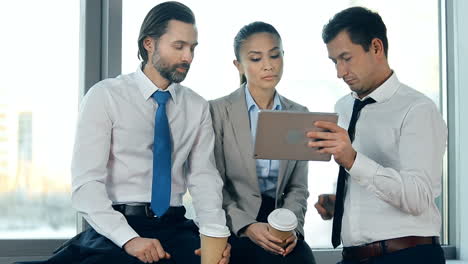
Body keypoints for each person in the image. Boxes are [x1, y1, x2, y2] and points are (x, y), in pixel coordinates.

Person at [18, 2, 231, 264]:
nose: (188, 57)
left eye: (192, 48)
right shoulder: (105, 96)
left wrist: (215, 237)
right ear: (149, 44)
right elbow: (86, 185)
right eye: (179, 46)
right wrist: (129, 239)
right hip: (117, 227)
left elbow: (204, 178)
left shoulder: (197, 106)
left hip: (176, 226)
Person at [307, 6, 447, 264]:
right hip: (353, 257)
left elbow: (418, 197)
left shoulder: (418, 109)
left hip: (407, 256)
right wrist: (343, 205)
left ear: (376, 47)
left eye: (346, 58)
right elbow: (372, 185)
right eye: (334, 61)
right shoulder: (343, 107)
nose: (340, 72)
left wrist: (352, 159)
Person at [209, 21, 316, 264]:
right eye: (256, 59)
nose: (268, 65)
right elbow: (213, 184)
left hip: (282, 226)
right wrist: (246, 226)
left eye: (275, 55)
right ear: (239, 66)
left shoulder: (299, 114)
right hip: (236, 224)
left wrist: (291, 228)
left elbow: (298, 187)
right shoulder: (217, 111)